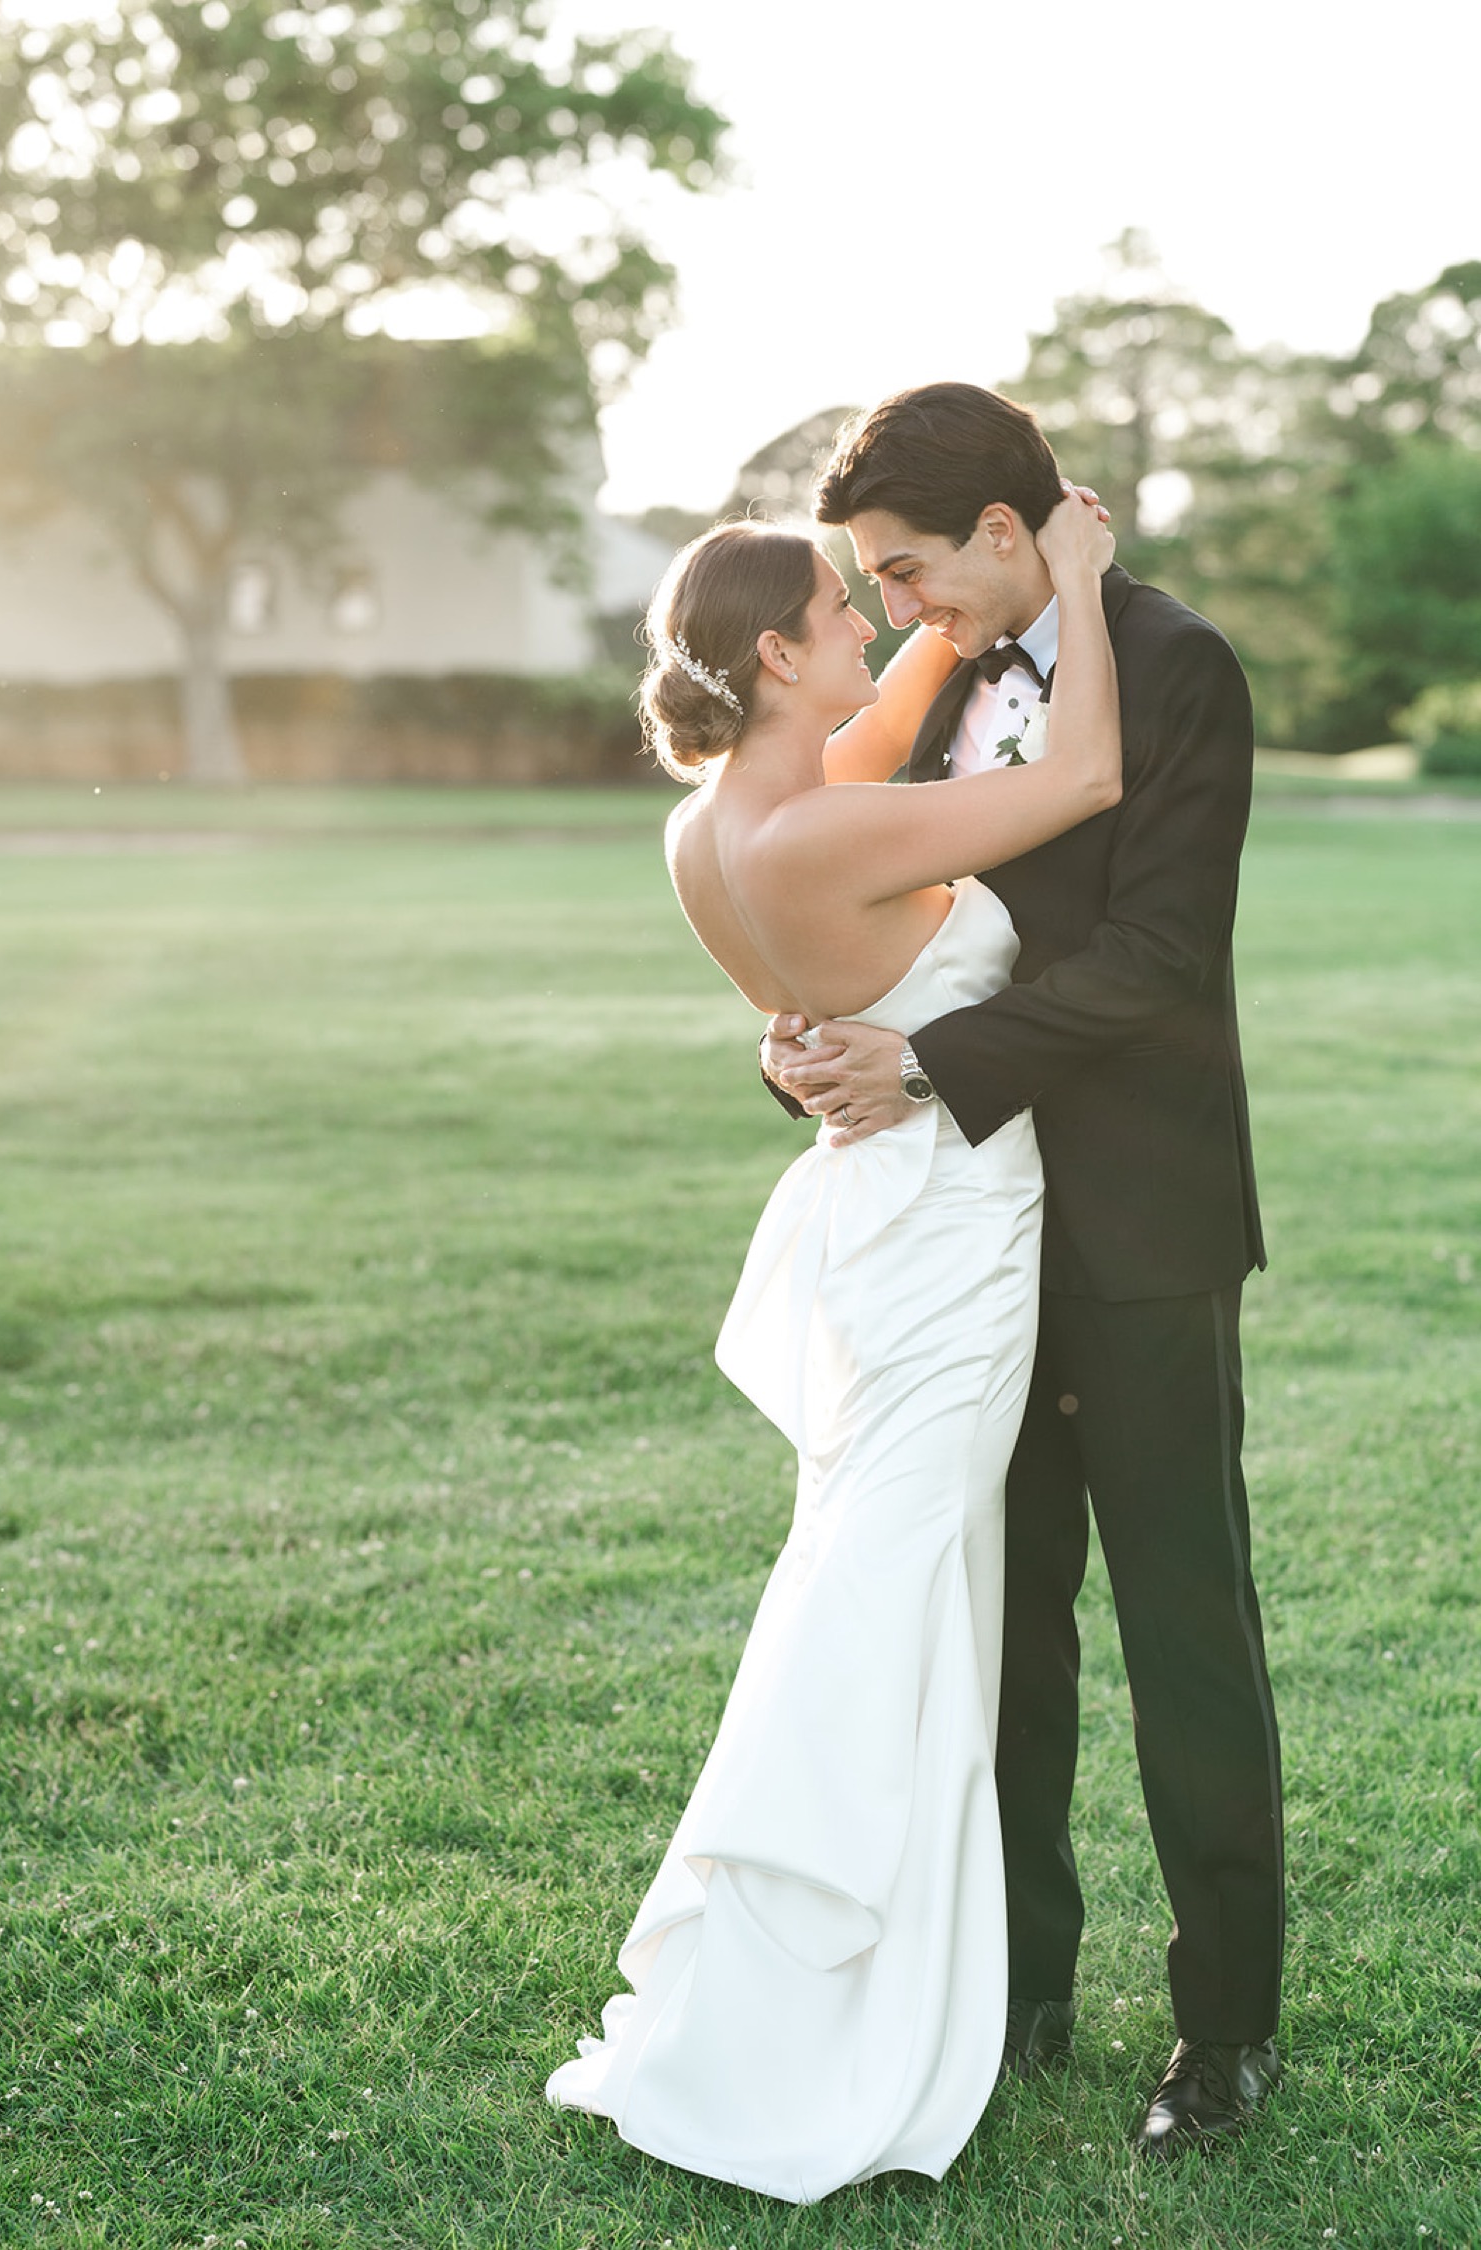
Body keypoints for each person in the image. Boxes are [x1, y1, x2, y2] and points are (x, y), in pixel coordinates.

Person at [546, 491, 1121, 2202]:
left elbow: (870, 723)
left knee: (892, 1563)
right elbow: (1080, 777)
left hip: (878, 1213)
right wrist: (1072, 579)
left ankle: (896, 1955)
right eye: (841, 603)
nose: (875, 620)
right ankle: (820, 1978)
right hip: (942, 1233)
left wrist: (948, 592)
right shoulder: (823, 836)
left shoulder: (724, 822)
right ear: (776, 652)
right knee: (892, 1578)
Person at [765, 381, 1284, 2158]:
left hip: (1137, 1229)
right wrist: (824, 1032)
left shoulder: (1182, 660)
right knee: (1004, 1639)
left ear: (1006, 531)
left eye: (909, 571)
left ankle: (1226, 2026)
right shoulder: (940, 688)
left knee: (1183, 1630)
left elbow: (1157, 955)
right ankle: (1020, 1983)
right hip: (966, 1238)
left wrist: (927, 1066)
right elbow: (885, 911)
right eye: (875, 582)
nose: (899, 608)